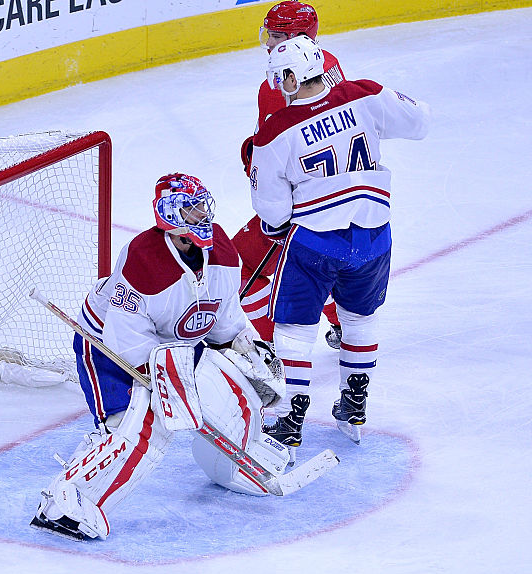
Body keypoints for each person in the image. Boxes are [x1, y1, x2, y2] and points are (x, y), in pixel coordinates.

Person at [31, 174, 286, 541]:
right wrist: (167, 385)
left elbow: (222, 318)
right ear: (171, 216)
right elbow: (126, 342)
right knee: (141, 425)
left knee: (237, 386)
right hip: (108, 348)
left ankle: (239, 463)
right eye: (190, 208)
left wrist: (242, 345)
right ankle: (66, 504)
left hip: (178, 344)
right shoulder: (143, 261)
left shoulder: (225, 254)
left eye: (203, 206)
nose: (201, 215)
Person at [250, 35, 430, 448]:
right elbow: (420, 121)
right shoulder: (363, 94)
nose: (278, 85)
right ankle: (354, 403)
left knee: (294, 327)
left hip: (314, 241)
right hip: (373, 237)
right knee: (359, 318)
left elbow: (272, 210)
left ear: (295, 77)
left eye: (281, 77)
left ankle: (290, 418)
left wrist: (283, 228)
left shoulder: (275, 131)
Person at [236, 1, 347, 349]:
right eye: (268, 33)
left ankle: (276, 349)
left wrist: (250, 155)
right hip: (343, 195)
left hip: (301, 205)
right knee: (318, 264)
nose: (268, 42)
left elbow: (269, 159)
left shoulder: (275, 87)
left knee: (241, 267)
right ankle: (343, 323)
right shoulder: (326, 63)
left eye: (277, 35)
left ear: (297, 37)